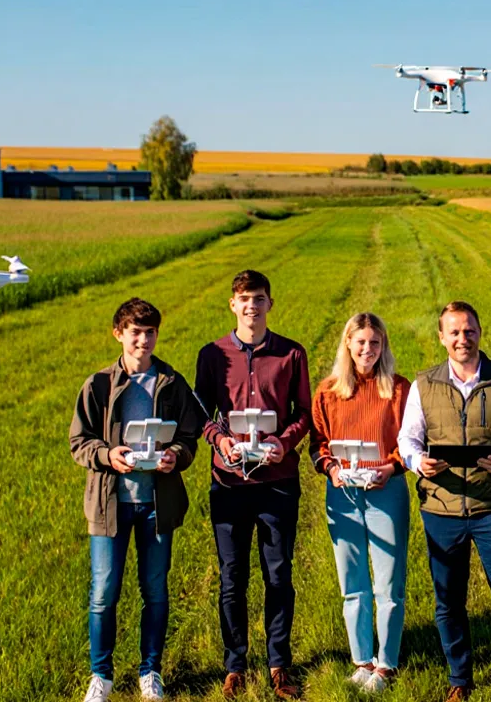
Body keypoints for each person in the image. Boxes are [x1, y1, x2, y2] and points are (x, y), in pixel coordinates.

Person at [397, 301, 491, 702]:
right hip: (441, 509)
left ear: (480, 332)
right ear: (442, 337)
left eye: (469, 331)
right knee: (449, 602)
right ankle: (459, 680)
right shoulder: (424, 384)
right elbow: (407, 439)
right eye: (454, 332)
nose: (462, 339)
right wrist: (418, 462)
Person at [68, 298, 206, 702]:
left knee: (155, 590)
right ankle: (102, 676)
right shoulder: (98, 385)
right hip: (110, 505)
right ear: (119, 334)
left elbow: (188, 438)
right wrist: (108, 456)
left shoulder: (172, 382)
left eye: (150, 332)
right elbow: (79, 443)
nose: (143, 340)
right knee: (104, 592)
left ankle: (151, 671)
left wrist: (175, 457)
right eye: (135, 332)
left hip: (156, 506)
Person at [195, 270, 312, 700]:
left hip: (277, 481)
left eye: (259, 298)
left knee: (278, 574)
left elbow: (304, 413)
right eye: (244, 298)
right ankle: (235, 665)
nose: (251, 306)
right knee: (232, 577)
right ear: (232, 304)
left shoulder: (291, 354)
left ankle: (279, 663)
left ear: (269, 304)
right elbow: (200, 414)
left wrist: (285, 442)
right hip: (228, 483)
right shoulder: (212, 355)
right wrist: (218, 439)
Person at [309, 313, 412, 694]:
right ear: (348, 344)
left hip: (386, 490)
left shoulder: (399, 390)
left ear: (383, 346)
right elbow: (318, 444)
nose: (368, 349)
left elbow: (411, 442)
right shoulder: (328, 391)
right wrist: (332, 469)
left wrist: (391, 467)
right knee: (353, 581)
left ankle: (386, 664)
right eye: (361, 342)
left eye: (375, 343)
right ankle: (361, 659)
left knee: (388, 581)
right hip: (344, 494)